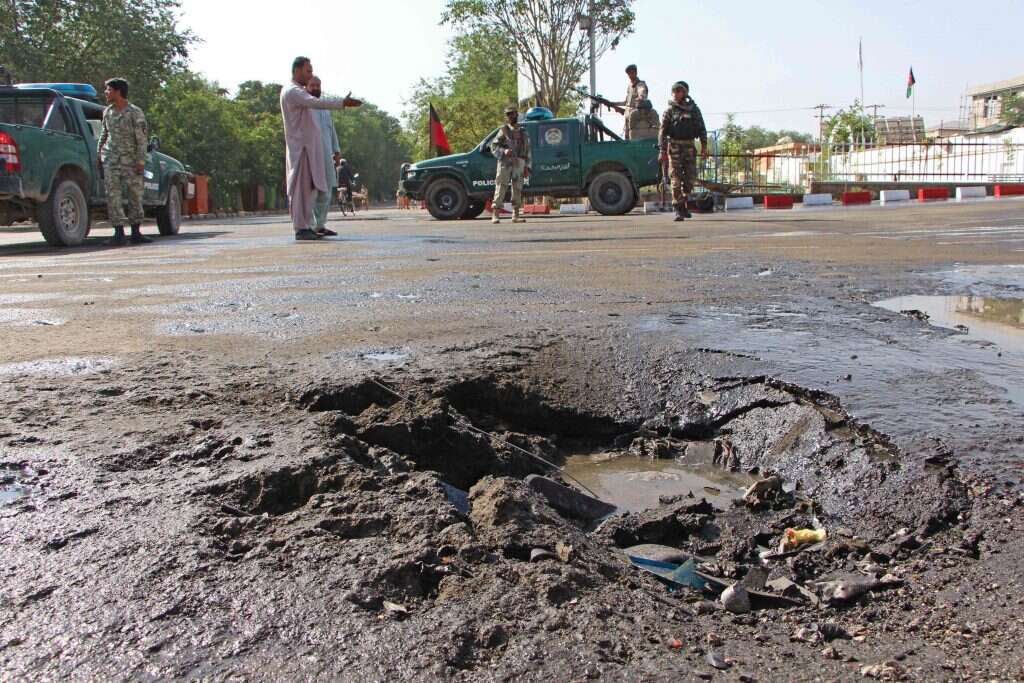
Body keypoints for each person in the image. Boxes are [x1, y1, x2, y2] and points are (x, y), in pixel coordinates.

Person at [280, 56, 361, 241]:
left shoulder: (300, 91)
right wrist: (342, 103)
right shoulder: (292, 91)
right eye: (308, 71)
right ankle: (301, 228)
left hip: (310, 150)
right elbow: (315, 102)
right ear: (297, 70)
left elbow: (319, 105)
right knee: (302, 190)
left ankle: (310, 226)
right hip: (301, 150)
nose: (310, 76)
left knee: (311, 190)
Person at [97, 78, 149, 245]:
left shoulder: (135, 112)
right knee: (113, 196)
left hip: (131, 161)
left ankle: (136, 232)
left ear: (118, 91)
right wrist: (99, 154)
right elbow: (104, 135)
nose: (106, 92)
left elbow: (141, 139)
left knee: (135, 195)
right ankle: (118, 233)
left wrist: (141, 160)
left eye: (108, 90)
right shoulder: (107, 112)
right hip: (111, 160)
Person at [659, 81, 708, 222]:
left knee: (690, 179)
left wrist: (704, 146)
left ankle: (684, 202)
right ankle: (678, 208)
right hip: (674, 146)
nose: (676, 94)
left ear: (685, 92)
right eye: (674, 91)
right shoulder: (669, 110)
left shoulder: (694, 110)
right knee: (675, 178)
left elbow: (701, 128)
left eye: (679, 91)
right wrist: (662, 150)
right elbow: (662, 131)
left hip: (689, 147)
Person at [307, 76, 341, 237]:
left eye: (318, 85)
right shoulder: (305, 107)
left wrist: (337, 152)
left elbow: (331, 131)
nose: (315, 88)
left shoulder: (325, 108)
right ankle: (310, 226)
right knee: (312, 191)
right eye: (312, 85)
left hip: (327, 155)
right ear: (307, 87)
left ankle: (320, 225)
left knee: (326, 190)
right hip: (310, 155)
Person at [489, 106, 531, 225]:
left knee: (517, 188)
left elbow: (528, 150)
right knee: (501, 186)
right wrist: (504, 151)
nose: (510, 116)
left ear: (517, 115)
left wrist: (527, 166)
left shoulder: (523, 132)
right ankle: (495, 214)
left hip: (519, 162)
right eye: (508, 114)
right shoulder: (504, 131)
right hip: (505, 162)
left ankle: (515, 214)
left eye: (512, 114)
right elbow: (493, 146)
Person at [614, 64, 649, 140]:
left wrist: (641, 97)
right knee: (627, 137)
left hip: (636, 118)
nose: (630, 75)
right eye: (629, 74)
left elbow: (642, 91)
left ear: (636, 73)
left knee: (633, 137)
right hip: (627, 117)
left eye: (632, 73)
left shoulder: (640, 84)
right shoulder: (630, 86)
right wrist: (614, 104)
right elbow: (626, 102)